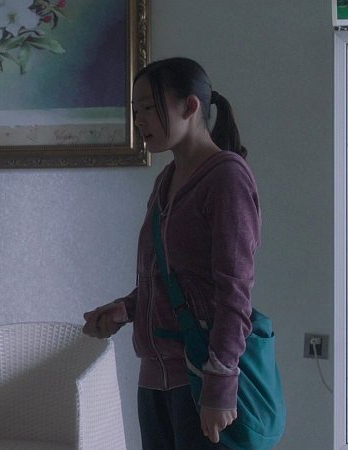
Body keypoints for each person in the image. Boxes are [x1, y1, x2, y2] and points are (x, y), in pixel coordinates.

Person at [82, 57, 260, 450]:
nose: (139, 120)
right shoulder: (166, 180)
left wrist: (220, 385)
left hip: (200, 377)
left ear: (191, 106)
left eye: (149, 107)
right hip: (153, 381)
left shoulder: (226, 177)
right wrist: (127, 309)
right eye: (135, 110)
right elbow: (169, 276)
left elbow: (234, 291)